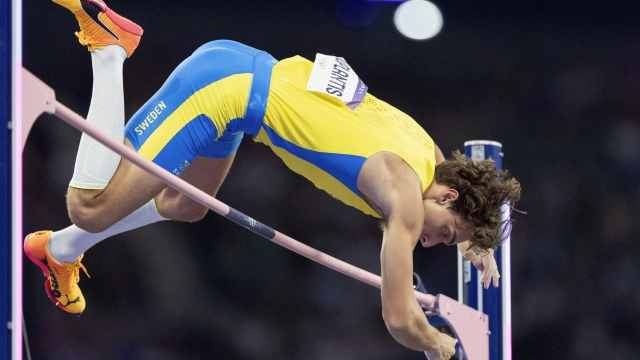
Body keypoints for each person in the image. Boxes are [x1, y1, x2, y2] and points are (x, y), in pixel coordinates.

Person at [24, 1, 522, 358]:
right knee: (90, 206)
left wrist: (470, 240)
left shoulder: (426, 154)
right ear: (449, 196)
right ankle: (108, 50)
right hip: (220, 91)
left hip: (242, 88)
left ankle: (62, 250)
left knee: (186, 204)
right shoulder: (407, 201)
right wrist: (437, 344)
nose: (435, 242)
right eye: (447, 232)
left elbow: (448, 175)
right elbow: (398, 319)